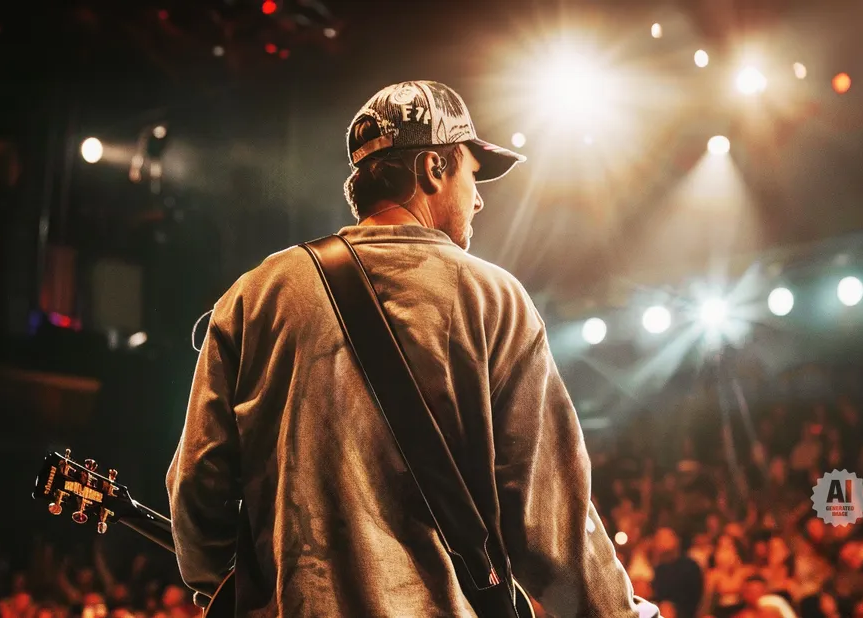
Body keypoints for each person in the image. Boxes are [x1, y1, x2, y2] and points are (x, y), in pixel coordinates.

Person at [166, 80, 656, 617]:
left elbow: (197, 488)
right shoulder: (491, 298)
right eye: (472, 173)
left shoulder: (256, 294)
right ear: (432, 169)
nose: (479, 196)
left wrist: (241, 587)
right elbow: (551, 517)